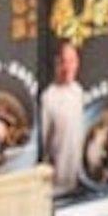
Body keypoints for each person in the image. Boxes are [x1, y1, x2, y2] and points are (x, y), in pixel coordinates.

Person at [41, 41, 86, 195]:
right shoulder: (48, 97)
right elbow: (44, 145)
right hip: (57, 186)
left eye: (72, 61)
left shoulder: (79, 92)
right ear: (56, 64)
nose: (67, 68)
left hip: (79, 183)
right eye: (63, 62)